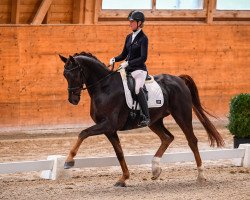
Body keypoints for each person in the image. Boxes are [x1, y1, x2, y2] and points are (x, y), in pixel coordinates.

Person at [110, 10, 150, 126]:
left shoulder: (143, 38)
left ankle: (146, 116)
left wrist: (128, 63)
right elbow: (123, 55)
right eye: (130, 21)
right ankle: (128, 111)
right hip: (128, 70)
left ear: (139, 23)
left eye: (132, 22)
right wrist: (115, 59)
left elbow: (143, 58)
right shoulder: (128, 37)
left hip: (139, 70)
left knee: (137, 89)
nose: (130, 24)